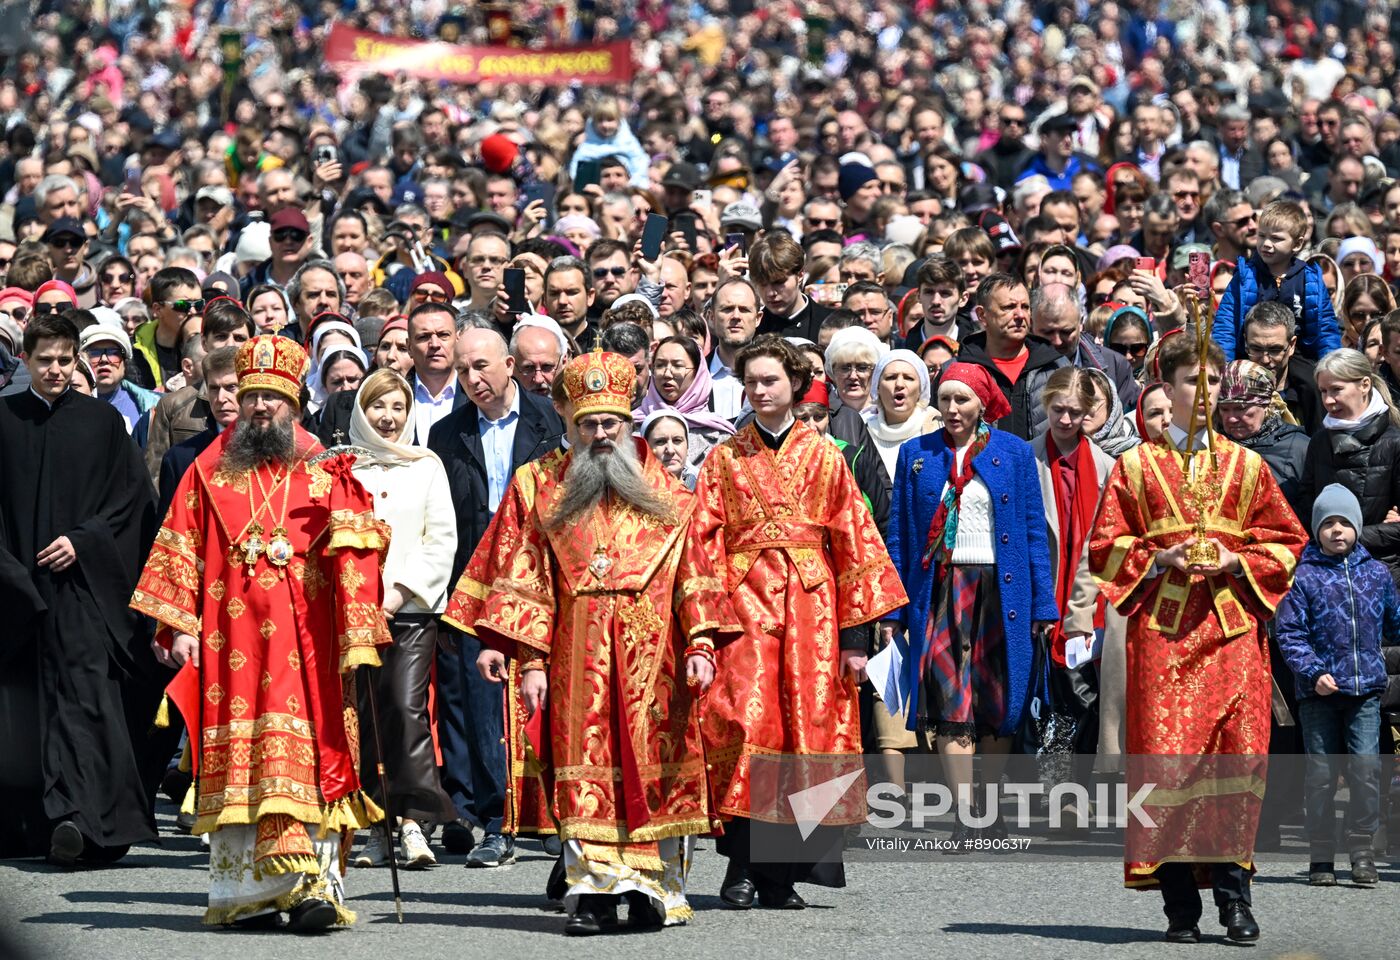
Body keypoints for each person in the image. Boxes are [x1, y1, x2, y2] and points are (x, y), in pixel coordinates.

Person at [444, 350, 740, 935]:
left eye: (611, 423)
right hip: (573, 655)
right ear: (569, 423)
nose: (601, 435)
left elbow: (695, 576)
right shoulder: (540, 487)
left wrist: (702, 644)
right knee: (585, 767)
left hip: (656, 661)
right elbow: (524, 575)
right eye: (589, 424)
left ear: (629, 421)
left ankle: (650, 891)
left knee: (653, 764)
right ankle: (594, 891)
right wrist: (526, 657)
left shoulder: (672, 497)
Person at [131, 334, 392, 929]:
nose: (260, 408)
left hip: (309, 642)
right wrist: (178, 626)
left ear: (295, 401)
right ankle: (247, 892)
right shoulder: (206, 468)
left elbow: (359, 558)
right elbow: (177, 548)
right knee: (243, 761)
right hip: (231, 643)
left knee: (316, 754)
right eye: (250, 397)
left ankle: (313, 891)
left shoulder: (328, 468)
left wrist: (358, 628)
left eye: (273, 398)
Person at [1088, 332, 1307, 944]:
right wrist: (1163, 558)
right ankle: (1179, 903)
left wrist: (1238, 563)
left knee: (1236, 760)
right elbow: (1105, 549)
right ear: (1166, 387)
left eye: (1213, 381)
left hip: (1231, 635)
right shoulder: (1137, 466)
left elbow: (1287, 542)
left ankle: (1236, 898)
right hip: (1164, 637)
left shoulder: (1248, 465)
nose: (1204, 392)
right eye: (1192, 381)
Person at [694, 335, 906, 909]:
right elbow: (703, 545)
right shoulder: (723, 458)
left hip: (816, 614)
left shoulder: (827, 456)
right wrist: (704, 625)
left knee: (806, 736)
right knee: (744, 728)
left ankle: (779, 874)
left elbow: (856, 545)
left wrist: (857, 640)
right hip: (744, 611)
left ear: (795, 385)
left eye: (771, 381)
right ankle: (740, 864)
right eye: (752, 382)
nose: (760, 391)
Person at [0, 312, 157, 864]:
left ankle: (88, 823)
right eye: (44, 360)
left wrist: (83, 541)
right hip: (15, 597)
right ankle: (34, 825)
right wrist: (11, 574)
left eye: (66, 360)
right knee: (23, 708)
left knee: (87, 700)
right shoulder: (3, 417)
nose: (56, 370)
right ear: (25, 358)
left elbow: (131, 503)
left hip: (83, 591)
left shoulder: (102, 423)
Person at [884, 361, 1057, 842]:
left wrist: (1044, 605)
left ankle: (989, 802)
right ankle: (964, 813)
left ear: (982, 403)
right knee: (949, 698)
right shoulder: (916, 454)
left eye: (963, 400)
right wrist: (895, 611)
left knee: (997, 700)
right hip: (939, 590)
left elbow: (1031, 533)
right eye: (945, 400)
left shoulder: (1014, 453)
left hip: (1002, 591)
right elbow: (899, 537)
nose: (953, 409)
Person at [427, 321, 565, 863]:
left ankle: (557, 815)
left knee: (545, 702)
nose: (471, 378)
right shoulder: (446, 434)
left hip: (542, 581)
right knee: (484, 707)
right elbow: (444, 521)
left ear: (511, 365)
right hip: (475, 584)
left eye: (480, 365)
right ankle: (495, 820)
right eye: (462, 370)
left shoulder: (552, 423)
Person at [342, 369, 459, 869]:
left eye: (397, 407)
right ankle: (373, 821)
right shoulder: (343, 467)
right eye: (377, 407)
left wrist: (396, 593)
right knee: (364, 714)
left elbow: (441, 539)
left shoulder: (427, 464)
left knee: (404, 707)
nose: (388, 418)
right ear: (361, 412)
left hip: (410, 611)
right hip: (354, 614)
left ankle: (414, 818)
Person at [1275, 483, 1395, 888]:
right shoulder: (1302, 577)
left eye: (1345, 522)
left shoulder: (1377, 574)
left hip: (1365, 692)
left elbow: (1395, 623)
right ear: (1316, 530)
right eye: (1328, 523)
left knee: (1364, 768)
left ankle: (1361, 849)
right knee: (1321, 773)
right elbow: (1289, 634)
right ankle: (1321, 853)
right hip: (1319, 695)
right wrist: (1312, 673)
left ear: (1358, 527)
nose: (1337, 530)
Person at [1299, 348, 1400, 587]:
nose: (1328, 400)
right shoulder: (1320, 442)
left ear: (1364, 385)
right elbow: (1306, 506)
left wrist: (1347, 535)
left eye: (1336, 390)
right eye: (1323, 391)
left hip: (1382, 572)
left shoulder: (1394, 443)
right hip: (1327, 573)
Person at [1212, 201, 1342, 362]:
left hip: (1298, 358)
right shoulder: (1246, 276)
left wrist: (1330, 368)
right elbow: (1226, 325)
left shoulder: (1310, 279)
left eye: (1276, 238)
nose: (1266, 244)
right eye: (1262, 235)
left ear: (1297, 244)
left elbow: (1326, 330)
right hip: (1251, 359)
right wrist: (1224, 367)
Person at [1218, 359, 1310, 513]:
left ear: (1265, 405)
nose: (1231, 418)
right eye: (1224, 409)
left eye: (1240, 408)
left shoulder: (1301, 449)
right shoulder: (1213, 447)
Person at [634, 335, 735, 467]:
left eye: (677, 366)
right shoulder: (630, 427)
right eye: (660, 365)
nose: (667, 374)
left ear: (698, 373)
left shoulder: (720, 437)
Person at [864, 348, 940, 479]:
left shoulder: (938, 429)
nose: (899, 384)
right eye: (891, 377)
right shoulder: (862, 432)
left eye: (909, 378)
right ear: (877, 387)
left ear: (921, 389)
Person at [642, 407, 695, 488]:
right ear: (646, 448)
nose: (670, 450)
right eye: (660, 442)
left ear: (687, 445)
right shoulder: (633, 497)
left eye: (677, 440)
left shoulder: (705, 494)